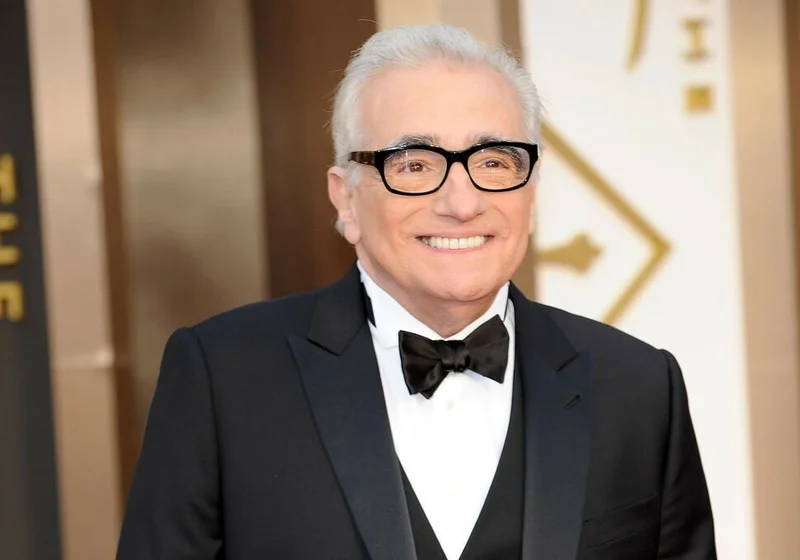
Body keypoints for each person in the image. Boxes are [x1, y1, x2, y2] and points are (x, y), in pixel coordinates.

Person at [117, 24, 716, 560]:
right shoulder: (224, 377)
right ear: (346, 199)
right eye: (414, 165)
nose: (462, 202)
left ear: (531, 195)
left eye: (495, 161)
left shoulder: (637, 387)